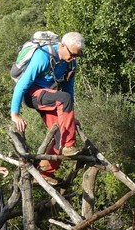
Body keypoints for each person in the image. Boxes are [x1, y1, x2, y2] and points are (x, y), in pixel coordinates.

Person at [10, 31, 84, 184]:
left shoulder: (71, 63)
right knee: (64, 100)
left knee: (60, 134)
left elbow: (69, 89)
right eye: (72, 54)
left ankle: (44, 172)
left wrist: (69, 115)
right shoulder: (43, 56)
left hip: (52, 97)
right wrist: (15, 114)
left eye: (77, 55)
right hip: (33, 95)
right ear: (62, 46)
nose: (74, 58)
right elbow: (22, 85)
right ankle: (69, 145)